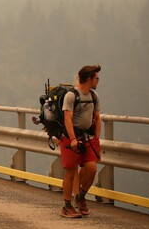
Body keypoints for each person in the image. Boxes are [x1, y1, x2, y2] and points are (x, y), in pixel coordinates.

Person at [59, 64, 102, 218]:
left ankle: (81, 197)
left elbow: (97, 118)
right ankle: (67, 206)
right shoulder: (71, 95)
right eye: (96, 78)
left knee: (91, 169)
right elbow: (67, 119)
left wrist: (96, 139)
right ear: (89, 79)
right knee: (70, 172)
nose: (98, 81)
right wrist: (72, 139)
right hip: (71, 139)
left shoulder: (94, 96)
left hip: (89, 139)